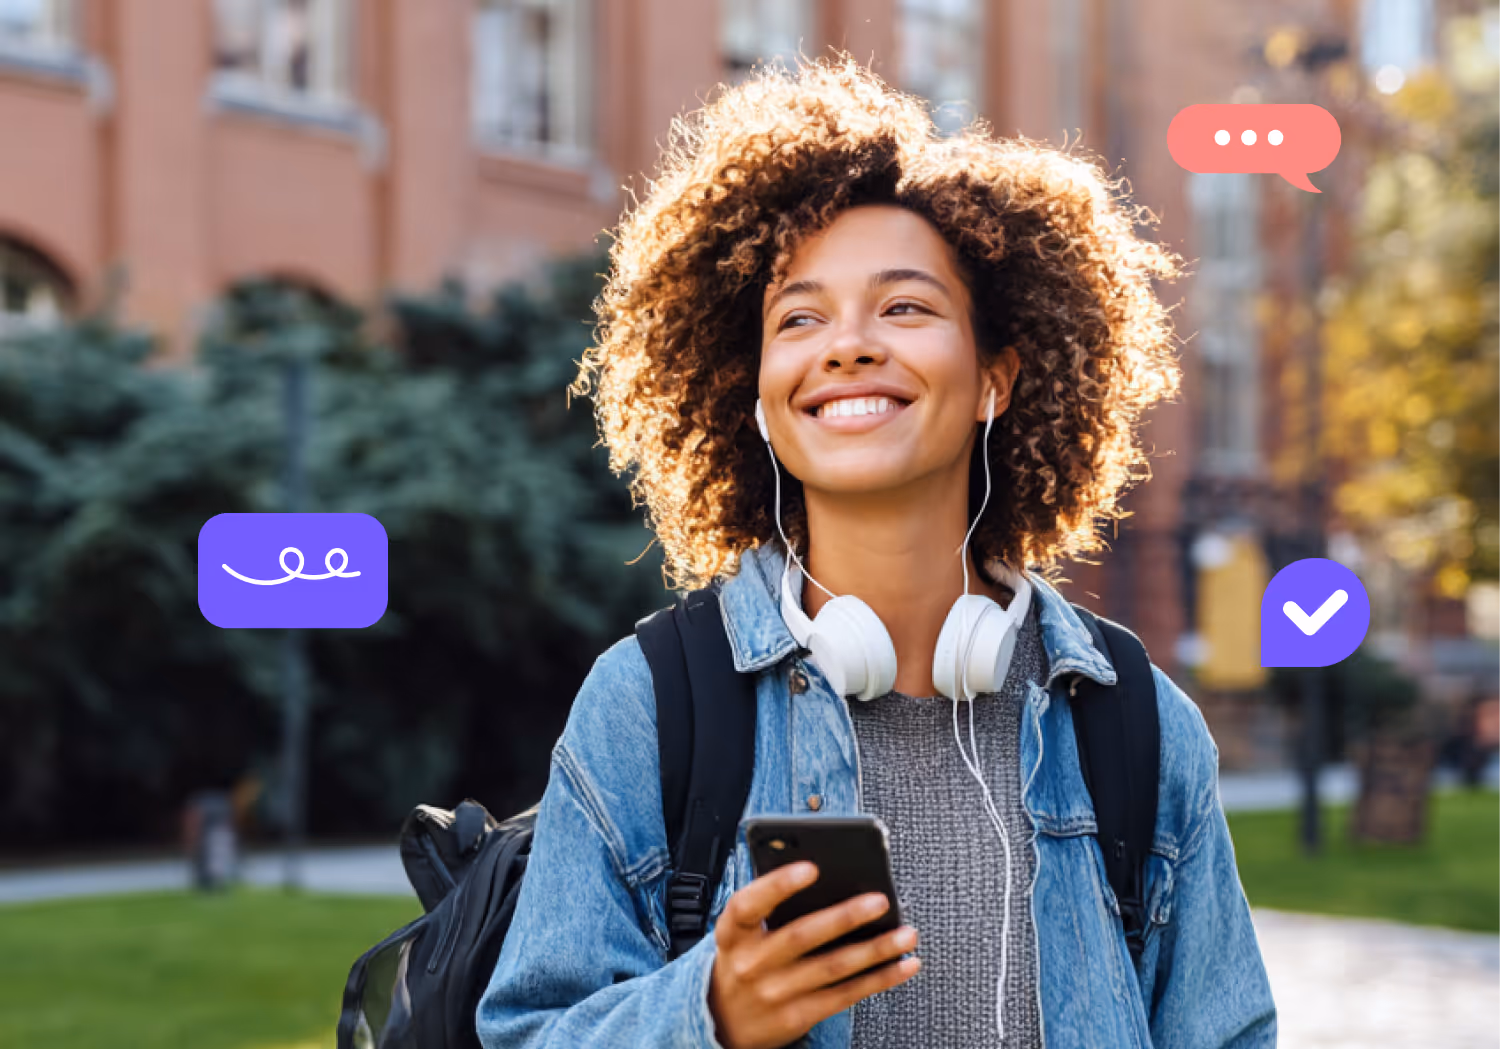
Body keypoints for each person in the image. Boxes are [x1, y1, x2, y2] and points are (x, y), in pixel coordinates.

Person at [476, 54, 1277, 1049]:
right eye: (800, 318)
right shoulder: (651, 703)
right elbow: (527, 1032)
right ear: (761, 398)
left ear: (994, 378)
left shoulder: (1137, 724)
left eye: (904, 306)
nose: (847, 345)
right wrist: (708, 1012)